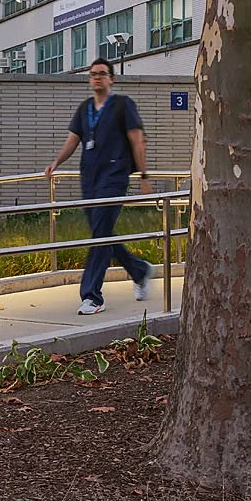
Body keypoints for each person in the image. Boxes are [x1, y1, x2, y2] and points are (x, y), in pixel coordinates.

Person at [43, 58, 151, 316]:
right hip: (89, 179)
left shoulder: (123, 105)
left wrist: (144, 176)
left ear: (111, 78)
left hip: (114, 177)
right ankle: (138, 270)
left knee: (100, 234)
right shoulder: (84, 109)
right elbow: (73, 140)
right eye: (93, 74)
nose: (97, 78)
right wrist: (56, 162)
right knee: (102, 233)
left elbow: (138, 141)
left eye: (102, 74)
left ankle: (92, 295)